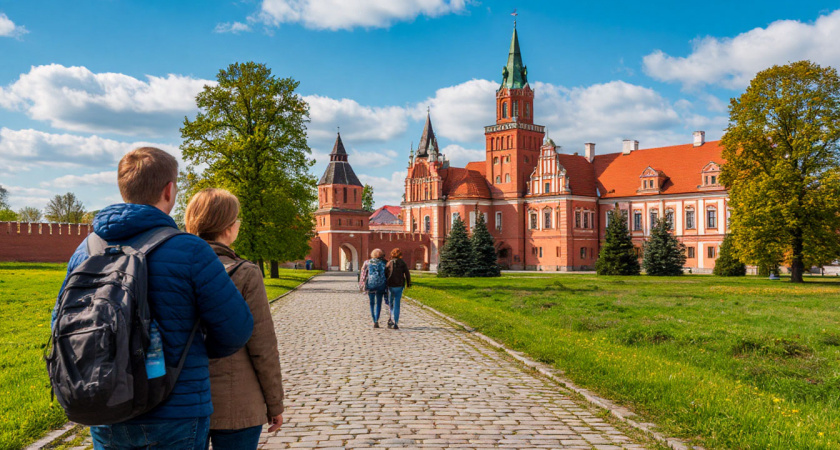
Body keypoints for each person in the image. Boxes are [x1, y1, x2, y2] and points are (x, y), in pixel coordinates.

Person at [57, 147, 254, 450]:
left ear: (123, 189)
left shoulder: (86, 250)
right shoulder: (190, 250)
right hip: (177, 409)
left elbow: (61, 322)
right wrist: (193, 348)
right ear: (169, 190)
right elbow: (236, 329)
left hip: (105, 406)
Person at [184, 188, 285, 450]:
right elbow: (262, 344)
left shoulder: (173, 267)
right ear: (229, 228)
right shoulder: (245, 273)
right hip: (237, 402)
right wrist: (274, 403)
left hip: (181, 399)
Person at [359, 249, 387, 328]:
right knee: (378, 303)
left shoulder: (367, 262)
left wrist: (361, 284)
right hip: (381, 285)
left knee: (371, 303)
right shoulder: (384, 262)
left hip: (371, 285)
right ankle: (377, 320)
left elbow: (363, 275)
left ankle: (374, 319)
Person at [385, 248, 411, 330]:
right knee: (397, 304)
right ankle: (396, 322)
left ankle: (391, 319)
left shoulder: (389, 263)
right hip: (400, 285)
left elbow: (385, 274)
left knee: (390, 303)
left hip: (391, 285)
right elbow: (407, 273)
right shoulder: (403, 263)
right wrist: (408, 283)